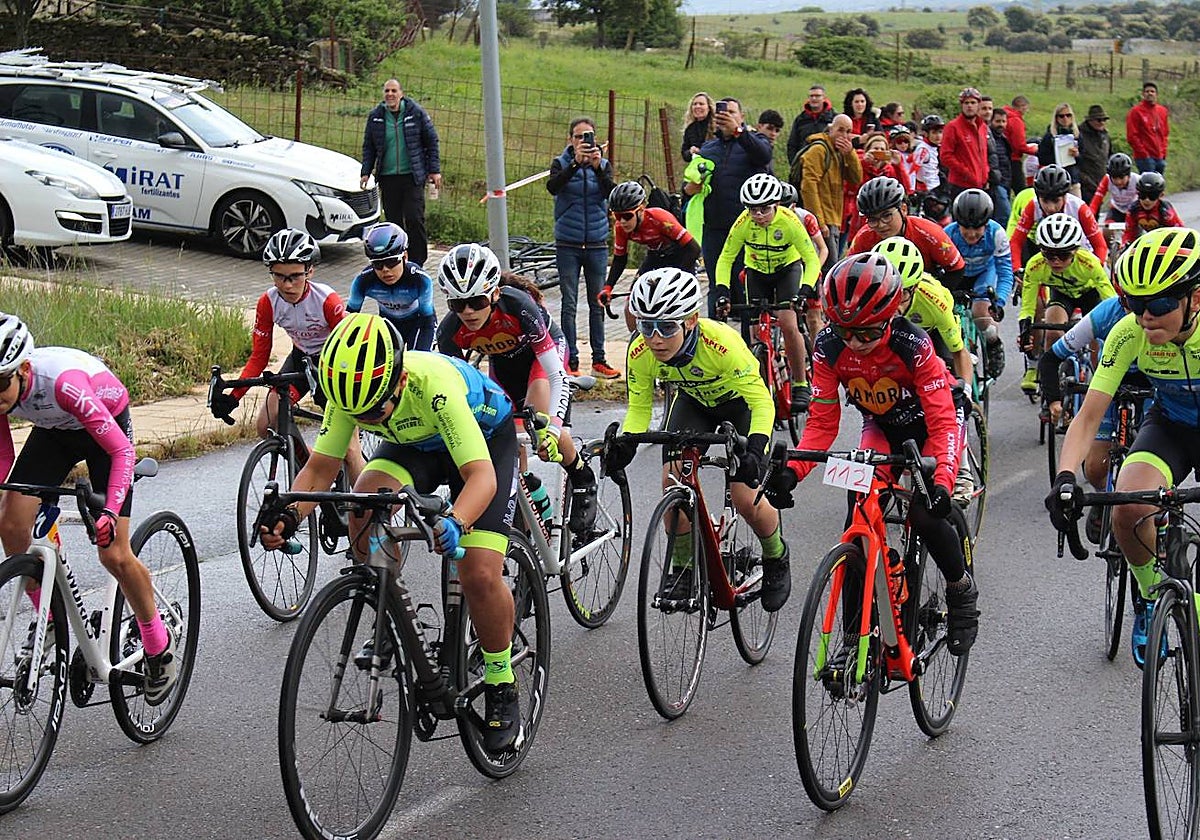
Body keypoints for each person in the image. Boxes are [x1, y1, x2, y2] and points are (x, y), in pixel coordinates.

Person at [258, 312, 524, 751]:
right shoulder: (352, 394)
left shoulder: (434, 387)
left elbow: (481, 478)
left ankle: (501, 680)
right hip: (414, 444)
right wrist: (289, 515)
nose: (363, 417)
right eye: (356, 413)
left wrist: (456, 521)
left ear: (398, 382)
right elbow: (321, 468)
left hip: (483, 442)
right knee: (364, 501)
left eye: (372, 411)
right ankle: (388, 604)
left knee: (477, 572)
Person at [763, 254, 979, 655]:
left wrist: (943, 479)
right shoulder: (828, 347)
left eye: (866, 333)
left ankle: (960, 589)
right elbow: (821, 424)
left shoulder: (914, 345)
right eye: (845, 331)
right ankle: (852, 641)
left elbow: (943, 423)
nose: (855, 343)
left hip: (930, 429)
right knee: (858, 517)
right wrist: (792, 471)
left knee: (925, 513)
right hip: (882, 428)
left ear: (891, 316)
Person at [0, 314, 179, 703]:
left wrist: (110, 511)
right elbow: (2, 460)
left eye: (0, 383)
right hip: (56, 433)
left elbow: (122, 451)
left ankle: (158, 645)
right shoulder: (7, 388)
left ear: (24, 370)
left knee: (113, 553)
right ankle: (52, 621)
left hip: (106, 432)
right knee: (12, 524)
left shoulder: (63, 384)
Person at [1046, 227, 1200, 666]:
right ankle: (1151, 597)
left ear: (1195, 299)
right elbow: (1089, 416)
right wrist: (1065, 479)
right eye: (1135, 304)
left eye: (1160, 304)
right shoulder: (1127, 332)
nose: (1146, 317)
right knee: (1128, 506)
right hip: (1170, 425)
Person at [604, 268, 793, 612]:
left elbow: (761, 403)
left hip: (740, 405)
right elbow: (639, 409)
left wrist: (756, 448)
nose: (655, 338)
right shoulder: (640, 352)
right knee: (672, 484)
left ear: (690, 320)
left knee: (745, 497)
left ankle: (776, 555)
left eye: (666, 327)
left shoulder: (722, 345)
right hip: (694, 404)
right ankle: (683, 567)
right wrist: (627, 443)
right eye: (646, 326)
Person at [434, 243, 598, 533]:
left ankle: (582, 477)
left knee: (539, 423)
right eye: (458, 304)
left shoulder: (518, 306)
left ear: (494, 294)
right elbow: (457, 389)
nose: (468, 312)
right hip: (503, 367)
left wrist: (554, 428)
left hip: (541, 358)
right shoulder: (449, 332)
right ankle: (527, 495)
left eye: (477, 301)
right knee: (506, 434)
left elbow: (556, 375)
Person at [210, 229, 365, 483]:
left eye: (294, 276)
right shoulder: (268, 302)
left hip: (337, 363)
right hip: (301, 359)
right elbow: (259, 357)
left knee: (349, 449)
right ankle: (319, 473)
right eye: (279, 276)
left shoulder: (326, 300)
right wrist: (234, 397)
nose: (287, 285)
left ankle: (369, 505)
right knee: (267, 425)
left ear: (309, 271)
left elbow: (351, 346)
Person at [714, 173, 821, 412]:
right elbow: (726, 258)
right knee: (755, 333)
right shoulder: (743, 223)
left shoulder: (789, 222)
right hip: (757, 272)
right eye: (753, 210)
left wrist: (804, 290)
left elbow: (811, 259)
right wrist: (722, 291)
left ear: (777, 204)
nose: (758, 215)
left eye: (764, 209)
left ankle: (800, 383)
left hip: (787, 270)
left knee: (788, 323)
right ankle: (762, 387)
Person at [685, 97, 773, 318]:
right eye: (722, 113)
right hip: (714, 228)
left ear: (742, 117)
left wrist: (738, 132)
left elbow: (764, 156)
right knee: (717, 286)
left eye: (732, 112)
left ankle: (749, 336)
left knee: (745, 286)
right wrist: (692, 186)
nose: (726, 117)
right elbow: (689, 185)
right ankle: (715, 333)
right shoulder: (708, 148)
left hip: (747, 227)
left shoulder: (755, 140)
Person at [546, 116, 620, 379]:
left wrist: (598, 168)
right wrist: (575, 164)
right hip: (568, 242)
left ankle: (599, 360)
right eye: (579, 136)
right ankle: (571, 360)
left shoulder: (604, 164)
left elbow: (612, 195)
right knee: (569, 303)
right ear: (570, 140)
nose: (584, 141)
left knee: (598, 302)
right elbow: (553, 187)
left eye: (588, 136)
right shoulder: (561, 163)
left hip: (597, 243)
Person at [1018, 214, 1114, 394]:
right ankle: (1050, 386)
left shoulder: (1089, 263)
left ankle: (1099, 386)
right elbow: (1028, 306)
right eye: (1049, 255)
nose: (1056, 261)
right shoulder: (1035, 266)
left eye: (1063, 255)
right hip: (1061, 296)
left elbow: (1110, 299)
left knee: (1097, 340)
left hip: (1090, 295)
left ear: (1075, 251)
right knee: (1052, 332)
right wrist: (1025, 329)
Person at [359, 78, 441, 268]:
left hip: (412, 176)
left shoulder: (416, 113)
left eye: (394, 91)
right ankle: (396, 259)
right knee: (393, 222)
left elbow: (431, 141)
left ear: (401, 94)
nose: (390, 94)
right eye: (387, 91)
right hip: (388, 178)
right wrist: (365, 171)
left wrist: (434, 170)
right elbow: (369, 146)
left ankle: (418, 261)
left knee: (414, 218)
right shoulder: (376, 117)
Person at [600, 180, 700, 330]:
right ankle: (638, 341)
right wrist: (608, 287)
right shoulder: (620, 227)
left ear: (641, 209)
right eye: (617, 216)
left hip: (681, 257)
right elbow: (620, 259)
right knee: (631, 306)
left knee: (676, 304)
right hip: (655, 257)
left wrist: (675, 277)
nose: (622, 221)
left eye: (627, 216)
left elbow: (694, 249)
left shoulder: (659, 218)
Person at [847, 176, 966, 289]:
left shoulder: (929, 232)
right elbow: (848, 273)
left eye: (887, 216)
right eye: (873, 219)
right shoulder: (864, 236)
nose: (881, 224)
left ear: (903, 209)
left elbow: (956, 269)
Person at [944, 188, 1014, 377]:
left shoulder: (997, 234)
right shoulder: (947, 235)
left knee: (981, 312)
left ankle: (993, 343)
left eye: (977, 228)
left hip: (984, 273)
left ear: (987, 224)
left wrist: (998, 303)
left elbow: (1005, 272)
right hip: (957, 274)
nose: (971, 234)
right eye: (966, 228)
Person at [346, 222, 436, 351]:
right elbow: (349, 320)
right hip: (388, 324)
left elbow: (427, 323)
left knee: (417, 359)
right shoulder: (363, 281)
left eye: (391, 261)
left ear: (405, 257)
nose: (385, 270)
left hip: (419, 323)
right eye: (377, 264)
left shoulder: (420, 280)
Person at [1008, 164, 1107, 273]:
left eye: (1056, 201)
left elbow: (1100, 246)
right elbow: (1016, 241)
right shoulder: (1033, 206)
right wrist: (1016, 269)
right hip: (1052, 259)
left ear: (1065, 196)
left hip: (1079, 257)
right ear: (1038, 197)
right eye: (1045, 201)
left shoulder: (1079, 208)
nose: (1051, 208)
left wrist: (1097, 268)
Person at [797, 114, 862, 270]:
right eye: (840, 130)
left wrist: (850, 154)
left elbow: (856, 178)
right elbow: (808, 186)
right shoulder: (819, 150)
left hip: (834, 220)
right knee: (826, 268)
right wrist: (818, 222)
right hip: (823, 221)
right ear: (831, 129)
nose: (844, 136)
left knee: (830, 266)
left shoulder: (839, 153)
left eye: (848, 132)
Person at [845, 131, 905, 241]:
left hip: (886, 219)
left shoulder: (889, 169)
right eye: (876, 149)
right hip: (863, 217)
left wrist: (898, 166)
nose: (879, 152)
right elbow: (851, 187)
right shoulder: (860, 165)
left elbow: (904, 189)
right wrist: (864, 163)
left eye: (882, 149)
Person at [940, 87, 991, 198]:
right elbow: (945, 156)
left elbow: (983, 154)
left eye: (973, 102)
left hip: (980, 184)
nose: (969, 106)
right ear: (961, 105)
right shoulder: (953, 127)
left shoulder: (982, 126)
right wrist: (966, 173)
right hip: (960, 185)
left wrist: (985, 175)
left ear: (978, 105)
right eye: (966, 103)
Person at [1122, 171, 1184, 248]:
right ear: (1137, 193)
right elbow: (1129, 232)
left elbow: (1180, 232)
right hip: (1146, 239)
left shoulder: (1165, 211)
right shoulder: (1133, 210)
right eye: (1142, 195)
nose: (1147, 200)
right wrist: (1125, 245)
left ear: (1161, 195)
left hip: (1166, 240)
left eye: (1152, 196)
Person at [1037, 104, 1082, 197]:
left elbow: (1084, 159)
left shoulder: (1077, 135)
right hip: (1054, 181)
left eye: (1068, 115)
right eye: (1061, 116)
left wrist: (1077, 155)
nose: (1065, 118)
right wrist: (1058, 156)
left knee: (1076, 204)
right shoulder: (1049, 136)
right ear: (1056, 118)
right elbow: (1042, 158)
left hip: (1073, 180)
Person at [1125, 81, 1169, 175]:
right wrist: (1143, 154)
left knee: (1159, 183)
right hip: (1145, 158)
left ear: (1156, 94)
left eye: (1152, 91)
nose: (1150, 93)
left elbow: (1165, 133)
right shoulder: (1136, 111)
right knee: (1148, 183)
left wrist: (1164, 152)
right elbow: (1132, 136)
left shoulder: (1162, 111)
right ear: (1143, 94)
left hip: (1160, 156)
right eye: (1147, 91)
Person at [786, 84, 836, 163]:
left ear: (824, 98)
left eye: (817, 96)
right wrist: (794, 163)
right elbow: (792, 144)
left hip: (828, 164)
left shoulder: (834, 119)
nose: (814, 98)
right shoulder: (800, 120)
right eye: (811, 96)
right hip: (805, 163)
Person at [1088, 152, 1140, 224]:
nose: (1118, 181)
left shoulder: (1137, 180)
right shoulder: (1107, 179)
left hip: (1133, 210)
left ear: (1128, 175)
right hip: (1116, 210)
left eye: (1121, 177)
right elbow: (1096, 200)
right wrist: (1089, 216)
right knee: (1108, 227)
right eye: (1114, 177)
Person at [1076, 105, 1112, 205]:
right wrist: (1084, 179)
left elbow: (1109, 156)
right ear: (1090, 120)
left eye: (1104, 120)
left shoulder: (1105, 136)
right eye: (1099, 120)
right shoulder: (1079, 135)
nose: (1102, 122)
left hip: (1100, 183)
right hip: (1084, 184)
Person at [1003, 95, 1034, 196]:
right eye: (1026, 107)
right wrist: (1035, 150)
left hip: (1002, 158)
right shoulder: (1016, 121)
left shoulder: (1004, 117)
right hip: (1013, 159)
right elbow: (1019, 145)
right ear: (1022, 106)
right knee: (1021, 190)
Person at [988, 106, 1013, 224]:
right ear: (991, 121)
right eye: (998, 121)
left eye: (1003, 121)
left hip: (1006, 181)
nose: (1001, 124)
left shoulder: (1003, 139)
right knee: (1005, 216)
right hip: (996, 183)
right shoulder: (988, 138)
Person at [911, 114, 944, 196]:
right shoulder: (923, 149)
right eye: (934, 132)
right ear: (926, 134)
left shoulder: (936, 147)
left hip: (937, 186)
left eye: (940, 132)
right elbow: (913, 170)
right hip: (927, 189)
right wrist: (911, 190)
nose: (938, 136)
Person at [681, 91, 716, 164]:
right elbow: (684, 154)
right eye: (695, 104)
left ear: (709, 108)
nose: (697, 106)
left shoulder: (717, 126)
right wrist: (690, 151)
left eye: (701, 104)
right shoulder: (690, 129)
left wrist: (701, 151)